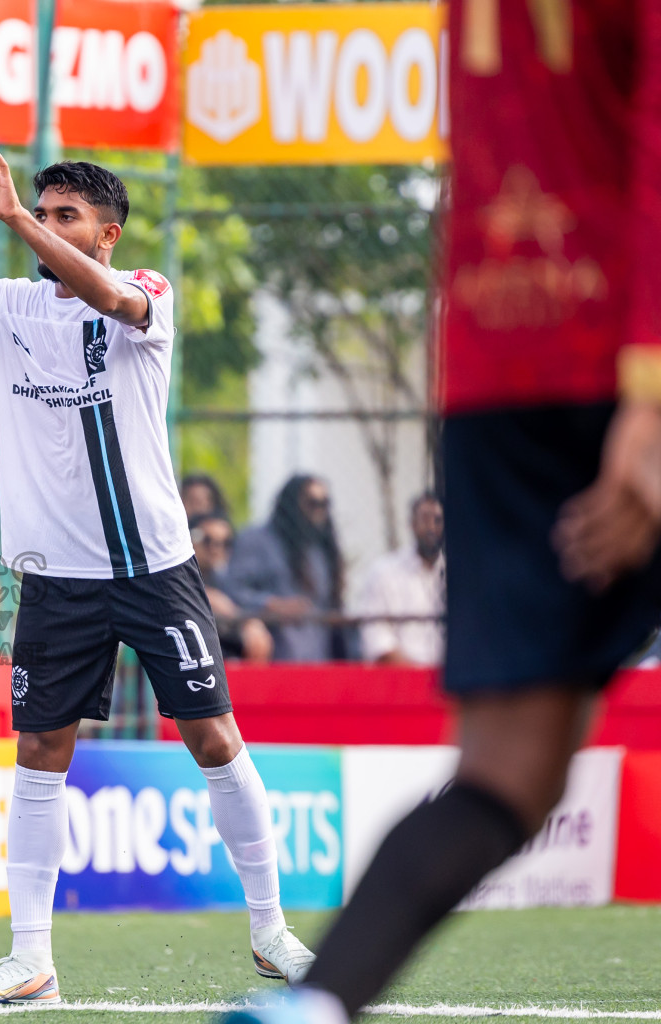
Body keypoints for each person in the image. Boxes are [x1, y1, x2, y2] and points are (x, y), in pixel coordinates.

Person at [222, 4, 661, 1023]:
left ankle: (316, 1004)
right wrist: (646, 398)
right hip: (617, 361)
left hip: (501, 366)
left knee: (508, 774)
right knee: (511, 771)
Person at [0, 120, 314, 1004]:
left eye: (64, 215)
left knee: (213, 738)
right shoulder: (7, 305)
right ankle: (31, 960)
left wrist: (12, 222)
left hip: (154, 567)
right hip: (56, 578)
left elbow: (111, 299)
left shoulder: (146, 291)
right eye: (40, 212)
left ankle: (271, 934)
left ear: (109, 232)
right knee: (40, 750)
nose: (44, 223)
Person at [226, 475, 358, 663]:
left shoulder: (322, 548)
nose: (319, 510)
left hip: (319, 658)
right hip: (273, 655)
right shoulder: (257, 541)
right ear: (291, 503)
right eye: (312, 503)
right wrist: (272, 604)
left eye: (324, 503)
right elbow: (233, 590)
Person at [355, 494, 444, 667]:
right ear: (412, 524)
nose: (431, 527)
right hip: (400, 676)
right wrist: (417, 676)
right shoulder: (385, 572)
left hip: (452, 678)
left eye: (438, 520)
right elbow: (377, 639)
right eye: (425, 519)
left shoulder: (458, 574)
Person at [191, 512, 273, 665]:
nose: (216, 548)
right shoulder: (182, 575)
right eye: (208, 540)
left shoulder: (228, 578)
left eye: (226, 542)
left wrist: (248, 623)